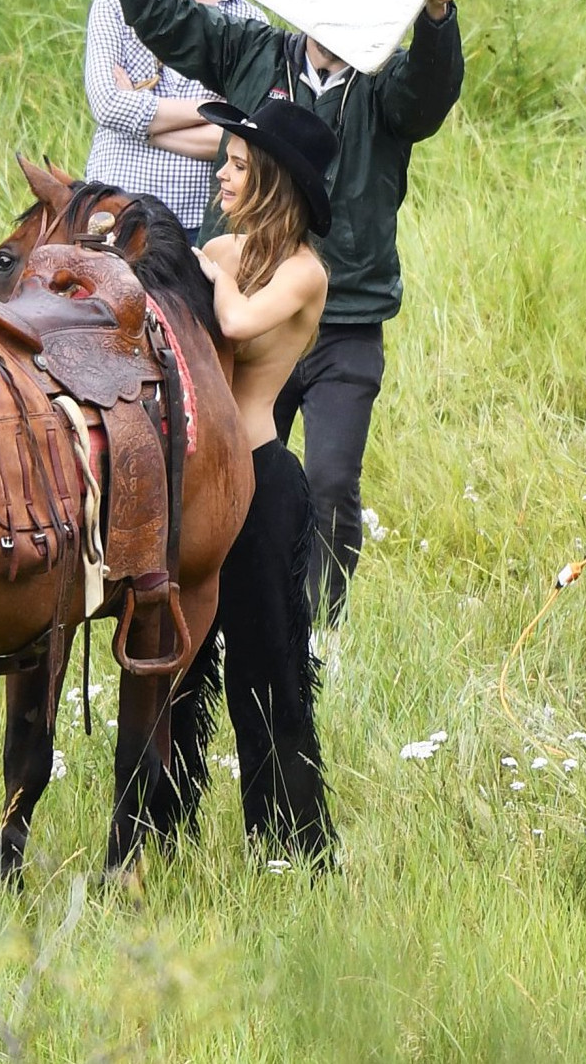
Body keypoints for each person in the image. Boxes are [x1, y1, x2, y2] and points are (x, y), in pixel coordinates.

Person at [68, 0, 465, 627]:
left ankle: (320, 628)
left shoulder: (384, 86)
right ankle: (227, 611)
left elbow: (431, 94)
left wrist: (437, 16)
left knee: (329, 481)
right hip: (244, 298)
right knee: (227, 468)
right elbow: (159, 15)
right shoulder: (257, 52)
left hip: (344, 321)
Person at [193, 97, 339, 860]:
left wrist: (208, 269)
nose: (222, 173)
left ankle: (289, 840)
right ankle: (166, 825)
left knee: (268, 662)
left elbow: (241, 324)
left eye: (239, 166)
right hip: (202, 479)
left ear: (271, 183)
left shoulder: (303, 273)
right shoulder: (223, 251)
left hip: (258, 481)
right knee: (181, 658)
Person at [83, 0, 268, 235]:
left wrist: (140, 126)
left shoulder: (249, 21)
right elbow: (108, 105)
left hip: (198, 220)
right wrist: (208, 109)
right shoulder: (113, 6)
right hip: (113, 210)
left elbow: (237, 137)